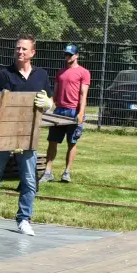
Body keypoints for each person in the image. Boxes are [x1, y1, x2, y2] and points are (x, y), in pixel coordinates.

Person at [0, 36, 54, 237]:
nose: (20, 52)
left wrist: (48, 104)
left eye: (24, 49)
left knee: (28, 180)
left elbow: (50, 99)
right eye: (17, 48)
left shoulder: (41, 75)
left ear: (32, 53)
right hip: (4, 134)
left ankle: (24, 219)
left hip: (29, 135)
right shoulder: (4, 74)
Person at [41, 44, 91, 183]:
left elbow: (83, 94)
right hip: (59, 111)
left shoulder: (84, 72)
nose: (67, 57)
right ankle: (48, 172)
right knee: (52, 142)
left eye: (70, 54)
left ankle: (66, 172)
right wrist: (49, 105)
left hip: (74, 111)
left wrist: (81, 113)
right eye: (66, 54)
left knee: (72, 142)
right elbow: (55, 94)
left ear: (76, 56)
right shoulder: (60, 72)